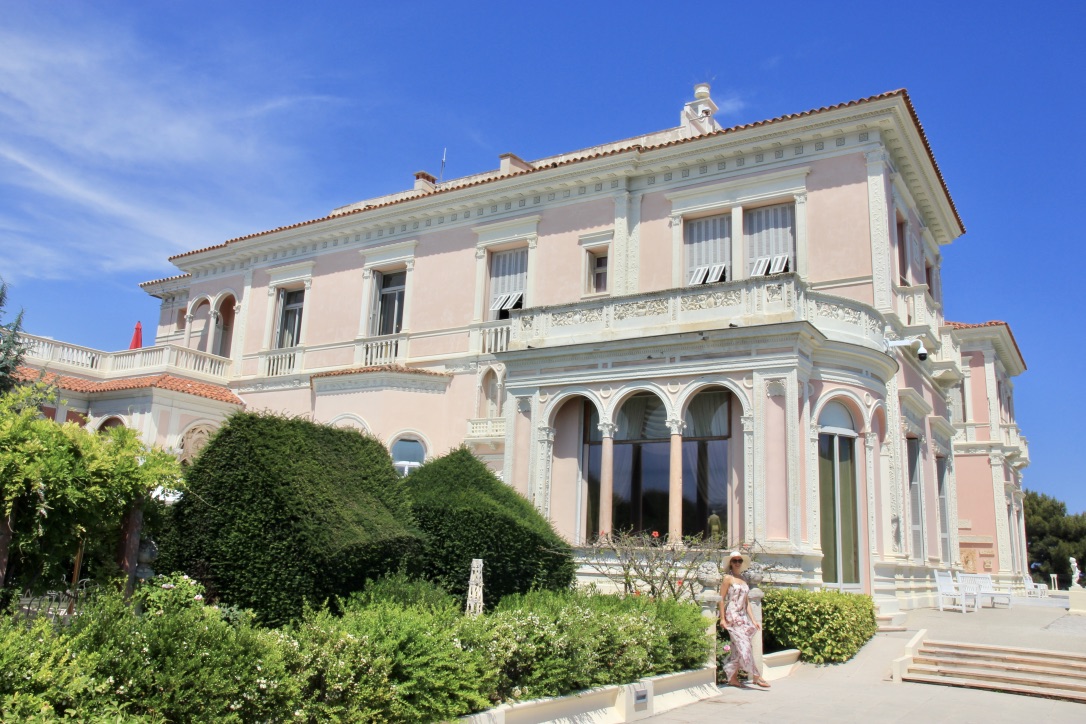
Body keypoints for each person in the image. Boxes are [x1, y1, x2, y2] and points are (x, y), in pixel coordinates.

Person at [719, 550, 770, 688]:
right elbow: (721, 599)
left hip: (742, 616)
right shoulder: (727, 579)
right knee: (744, 646)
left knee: (738, 648)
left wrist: (753, 620)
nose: (737, 563)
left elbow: (746, 603)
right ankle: (756, 676)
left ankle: (733, 678)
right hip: (732, 616)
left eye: (739, 561)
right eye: (734, 561)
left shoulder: (743, 579)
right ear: (730, 563)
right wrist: (722, 618)